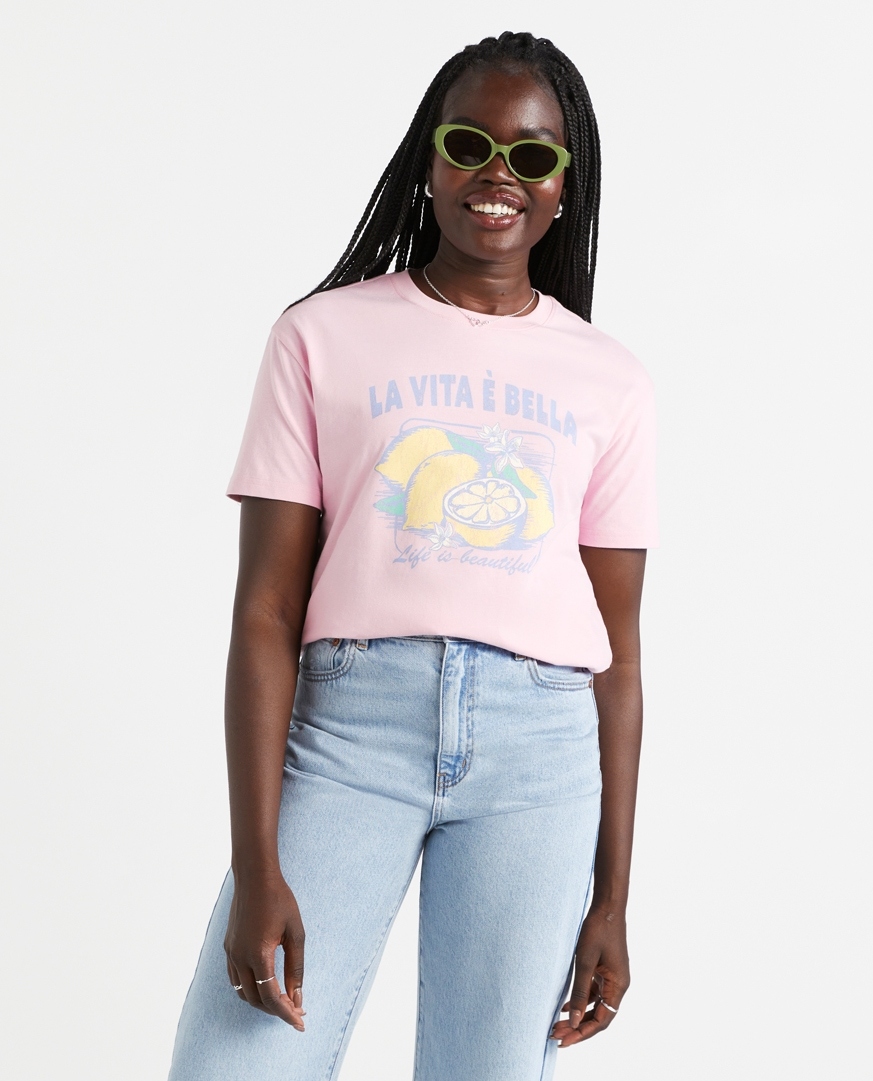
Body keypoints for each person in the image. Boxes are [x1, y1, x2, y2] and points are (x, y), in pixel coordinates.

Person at [168, 30, 658, 1081]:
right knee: (232, 1066)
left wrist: (611, 897)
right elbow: (265, 612)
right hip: (350, 732)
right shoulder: (319, 336)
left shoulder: (609, 378)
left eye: (531, 155)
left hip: (539, 754)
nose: (497, 174)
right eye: (469, 144)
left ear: (563, 184)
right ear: (428, 158)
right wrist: (257, 865)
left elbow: (618, 653)